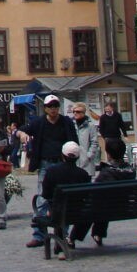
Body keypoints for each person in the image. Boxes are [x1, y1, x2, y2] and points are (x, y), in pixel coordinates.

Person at [17, 95, 78, 249]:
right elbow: (20, 131)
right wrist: (21, 134)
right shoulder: (39, 123)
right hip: (45, 164)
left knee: (64, 199)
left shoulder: (66, 122)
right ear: (45, 108)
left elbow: (74, 141)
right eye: (50, 106)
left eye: (56, 106)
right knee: (42, 199)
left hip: (63, 164)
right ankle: (39, 234)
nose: (53, 109)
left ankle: (62, 233)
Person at [69, 137, 135, 249]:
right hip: (125, 207)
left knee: (94, 207)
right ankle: (98, 234)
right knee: (103, 204)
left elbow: (94, 194)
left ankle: (72, 238)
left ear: (108, 154)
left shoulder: (106, 174)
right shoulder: (131, 171)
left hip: (107, 208)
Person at [35, 141, 91, 259]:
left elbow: (46, 194)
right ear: (77, 157)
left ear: (62, 155)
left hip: (58, 213)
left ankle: (60, 247)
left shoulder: (52, 171)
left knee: (59, 210)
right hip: (79, 213)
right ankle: (69, 239)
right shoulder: (84, 174)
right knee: (67, 210)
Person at [71, 103, 100, 177]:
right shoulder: (71, 125)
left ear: (83, 112)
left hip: (87, 162)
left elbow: (94, 142)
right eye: (74, 111)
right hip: (73, 161)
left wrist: (89, 155)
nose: (75, 113)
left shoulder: (90, 126)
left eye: (78, 111)